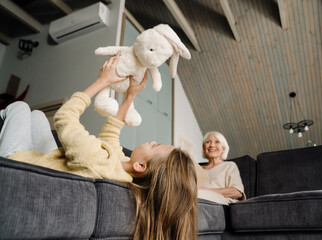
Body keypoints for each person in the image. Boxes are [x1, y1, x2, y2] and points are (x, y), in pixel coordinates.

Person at [0, 52, 198, 240]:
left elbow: (65, 117)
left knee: (20, 107)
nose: (152, 141)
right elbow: (110, 136)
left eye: (155, 146)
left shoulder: (97, 161)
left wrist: (103, 81)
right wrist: (130, 96)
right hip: (49, 161)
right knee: (37, 116)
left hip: (17, 163)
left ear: (141, 166)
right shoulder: (123, 173)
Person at [198, 131, 245, 205]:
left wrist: (205, 191)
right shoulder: (197, 169)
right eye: (208, 142)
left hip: (219, 201)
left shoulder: (229, 166)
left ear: (223, 148)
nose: (212, 145)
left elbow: (237, 193)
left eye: (217, 142)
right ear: (204, 148)